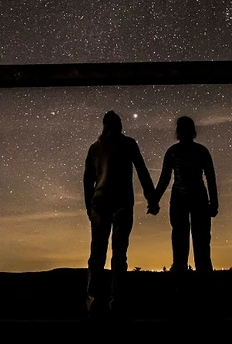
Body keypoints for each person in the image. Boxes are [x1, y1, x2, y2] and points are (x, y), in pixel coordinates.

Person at [83, 110, 159, 317]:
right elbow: (142, 170)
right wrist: (151, 198)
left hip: (99, 203)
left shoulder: (95, 148)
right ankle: (116, 302)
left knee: (97, 254)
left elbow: (87, 180)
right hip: (122, 203)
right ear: (117, 125)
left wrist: (88, 207)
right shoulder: (128, 144)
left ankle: (94, 302)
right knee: (119, 253)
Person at [155, 116, 218, 275]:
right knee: (201, 245)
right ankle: (203, 286)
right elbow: (210, 178)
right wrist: (214, 203)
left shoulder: (173, 151)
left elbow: (164, 179)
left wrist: (154, 199)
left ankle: (181, 286)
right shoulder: (200, 151)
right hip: (197, 199)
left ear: (178, 131)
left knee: (180, 245)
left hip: (180, 200)